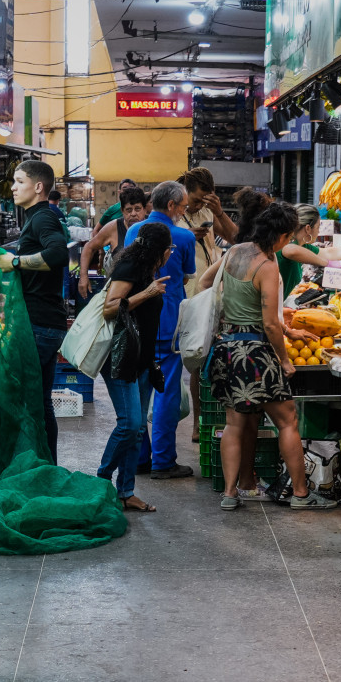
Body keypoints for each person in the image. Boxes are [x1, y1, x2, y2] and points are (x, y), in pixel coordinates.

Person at [204, 201, 337, 511]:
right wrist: (286, 360)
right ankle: (302, 495)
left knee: (234, 424)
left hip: (227, 348)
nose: (288, 242)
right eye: (288, 237)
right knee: (288, 419)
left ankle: (229, 492)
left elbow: (205, 283)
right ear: (281, 235)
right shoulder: (267, 264)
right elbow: (270, 323)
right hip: (256, 353)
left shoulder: (235, 252)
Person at [0, 160, 75, 463]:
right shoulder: (37, 218)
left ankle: (31, 468)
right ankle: (46, 468)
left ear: (38, 187)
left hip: (39, 325)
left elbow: (58, 254)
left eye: (19, 181)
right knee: (41, 403)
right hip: (45, 322)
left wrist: (16, 263)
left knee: (24, 402)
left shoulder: (43, 218)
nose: (13, 187)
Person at [97, 222, 174, 512]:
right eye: (169, 250)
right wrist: (148, 293)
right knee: (129, 425)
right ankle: (102, 480)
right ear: (162, 251)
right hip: (120, 358)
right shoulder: (129, 267)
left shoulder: (145, 270)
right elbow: (110, 308)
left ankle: (126, 492)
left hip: (140, 360)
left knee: (139, 428)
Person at [135, 180, 199, 479]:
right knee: (165, 393)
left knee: (138, 394)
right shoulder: (184, 237)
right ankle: (163, 461)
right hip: (168, 321)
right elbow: (186, 276)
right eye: (183, 206)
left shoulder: (135, 230)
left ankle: (140, 457)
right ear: (171, 205)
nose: (184, 211)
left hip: (137, 319)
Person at [76, 187, 149, 294]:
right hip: (117, 293)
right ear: (122, 211)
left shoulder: (152, 227)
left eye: (137, 209)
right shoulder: (113, 228)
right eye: (129, 210)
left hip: (145, 292)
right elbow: (89, 247)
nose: (133, 214)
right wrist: (83, 277)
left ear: (144, 209)